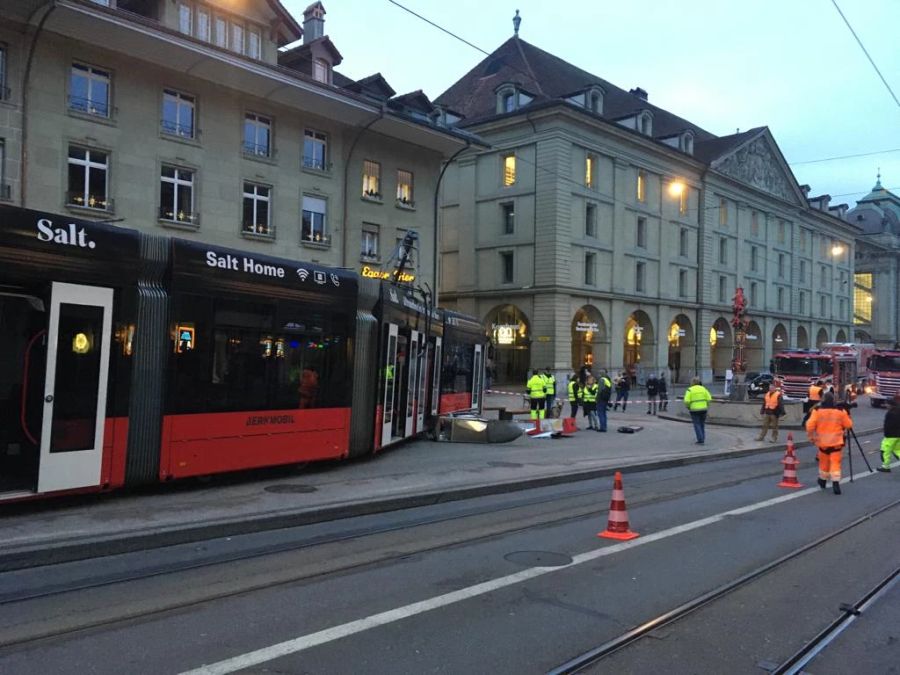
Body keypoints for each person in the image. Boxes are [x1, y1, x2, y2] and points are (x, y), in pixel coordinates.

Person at [806, 392, 853, 494]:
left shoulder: (817, 411)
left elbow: (809, 426)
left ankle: (823, 480)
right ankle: (835, 483)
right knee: (835, 463)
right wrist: (847, 415)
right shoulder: (840, 411)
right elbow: (849, 425)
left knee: (824, 463)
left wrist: (811, 437)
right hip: (836, 443)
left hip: (823, 443)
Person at [684, 376, 712, 444]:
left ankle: (700, 439)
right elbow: (709, 399)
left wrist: (688, 407)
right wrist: (707, 405)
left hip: (694, 410)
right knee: (702, 424)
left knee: (697, 424)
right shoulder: (703, 389)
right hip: (703, 409)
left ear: (692, 382)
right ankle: (702, 437)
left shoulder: (690, 390)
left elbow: (686, 401)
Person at [879, 392, 900, 472]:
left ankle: (886, 467)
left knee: (884, 451)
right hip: (898, 435)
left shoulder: (891, 413)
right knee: (898, 450)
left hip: (891, 436)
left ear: (890, 405)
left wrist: (886, 433)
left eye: (887, 404)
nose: (886, 405)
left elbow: (889, 425)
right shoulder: (898, 410)